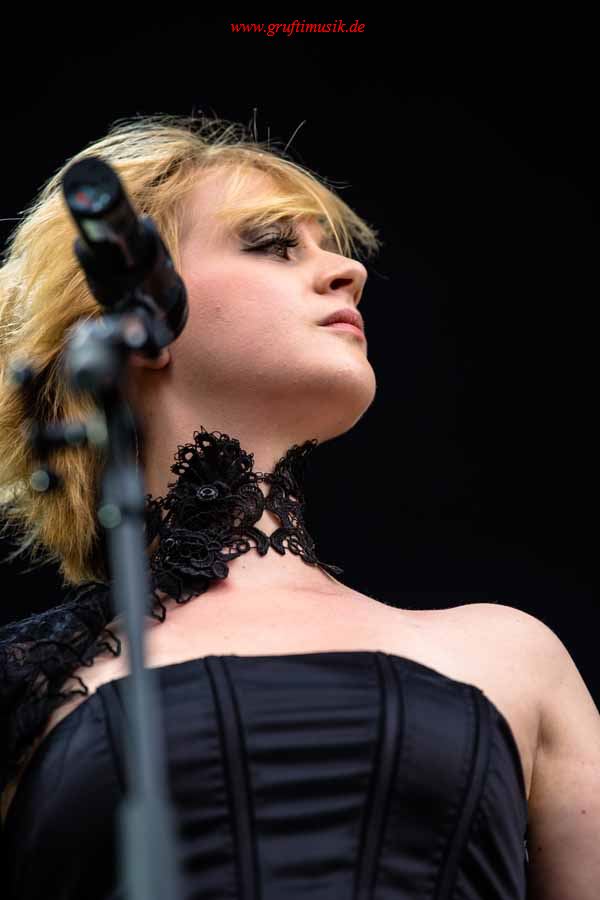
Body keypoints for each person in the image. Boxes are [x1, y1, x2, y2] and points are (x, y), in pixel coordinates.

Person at [0, 112, 533, 898]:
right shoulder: (23, 689)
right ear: (130, 308)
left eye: (328, 248)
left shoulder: (516, 656)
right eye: (274, 244)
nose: (347, 273)